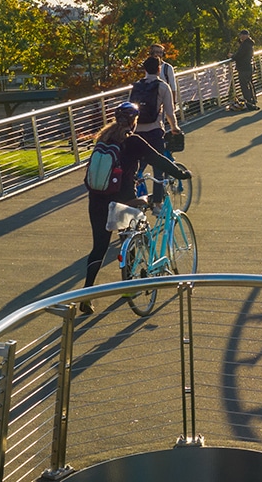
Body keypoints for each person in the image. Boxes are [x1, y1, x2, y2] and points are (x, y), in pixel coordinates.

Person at [81, 101, 192, 316]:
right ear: (135, 121)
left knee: (99, 248)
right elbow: (158, 160)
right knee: (130, 237)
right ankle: (129, 288)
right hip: (123, 201)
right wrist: (181, 174)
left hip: (97, 199)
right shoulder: (134, 142)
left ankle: (86, 295)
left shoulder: (103, 139)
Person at [131, 56, 180, 200]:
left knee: (136, 168)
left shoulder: (136, 86)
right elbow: (170, 113)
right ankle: (158, 204)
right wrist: (174, 128)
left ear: (145, 70)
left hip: (137, 132)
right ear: (159, 69)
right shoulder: (163, 87)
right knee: (158, 170)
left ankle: (133, 198)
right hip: (154, 131)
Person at [230, 30, 258, 110]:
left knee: (244, 85)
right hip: (249, 67)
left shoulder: (245, 45)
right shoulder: (250, 44)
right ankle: (253, 99)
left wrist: (232, 56)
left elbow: (239, 55)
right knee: (250, 83)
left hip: (244, 68)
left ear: (245, 36)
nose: (240, 37)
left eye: (241, 35)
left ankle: (248, 101)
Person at [149, 43, 178, 110]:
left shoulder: (168, 68)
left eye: (160, 52)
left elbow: (173, 86)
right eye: (156, 52)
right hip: (152, 98)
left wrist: (174, 102)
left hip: (165, 97)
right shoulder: (149, 67)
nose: (158, 54)